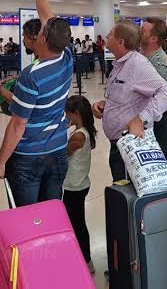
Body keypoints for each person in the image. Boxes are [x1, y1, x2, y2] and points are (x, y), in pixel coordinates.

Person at [0, 0, 73, 209]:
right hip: (58, 150)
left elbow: (18, 124)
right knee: (51, 213)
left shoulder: (31, 75)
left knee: (26, 217)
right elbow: (48, 16)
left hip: (29, 158)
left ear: (42, 38)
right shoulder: (66, 57)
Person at [92, 20, 167, 182]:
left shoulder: (138, 65)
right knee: (120, 190)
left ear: (120, 42)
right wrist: (105, 106)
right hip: (117, 146)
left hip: (131, 145)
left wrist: (141, 118)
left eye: (110, 34)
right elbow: (125, 97)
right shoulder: (119, 65)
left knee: (128, 192)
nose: (106, 36)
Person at [140, 17, 167, 166]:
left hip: (154, 130)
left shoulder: (159, 66)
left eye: (143, 30)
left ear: (153, 38)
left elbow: (157, 101)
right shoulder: (141, 57)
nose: (138, 32)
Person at [62, 95, 97, 275]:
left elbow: (63, 153)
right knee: (76, 222)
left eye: (67, 113)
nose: (65, 116)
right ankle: (81, 257)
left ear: (76, 113)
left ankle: (86, 260)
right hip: (79, 183)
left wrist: (61, 129)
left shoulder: (78, 136)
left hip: (74, 186)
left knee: (77, 225)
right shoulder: (84, 131)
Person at [0, 19, 42, 107]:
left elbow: (21, 104)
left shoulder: (33, 70)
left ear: (34, 37)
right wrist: (17, 77)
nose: (23, 41)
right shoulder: (48, 62)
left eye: (24, 36)